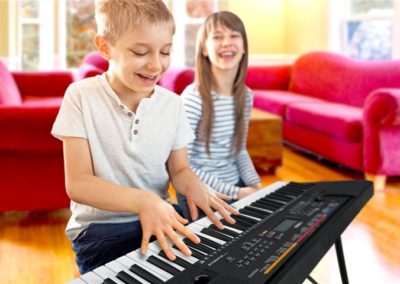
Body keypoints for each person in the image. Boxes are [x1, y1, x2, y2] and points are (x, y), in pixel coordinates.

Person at [51, 0, 237, 274]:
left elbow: (180, 169)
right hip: (101, 230)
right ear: (105, 47)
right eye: (140, 52)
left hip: (160, 215)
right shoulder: (81, 96)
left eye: (165, 52)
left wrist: (193, 184)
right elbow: (78, 184)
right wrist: (143, 201)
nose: (155, 64)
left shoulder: (173, 105)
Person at [177, 11, 262, 220]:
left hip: (236, 185)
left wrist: (255, 185)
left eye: (234, 35)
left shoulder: (246, 96)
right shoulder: (193, 97)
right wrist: (237, 193)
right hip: (201, 190)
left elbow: (239, 150)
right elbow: (184, 166)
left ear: (243, 47)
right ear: (204, 49)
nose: (227, 42)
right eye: (217, 37)